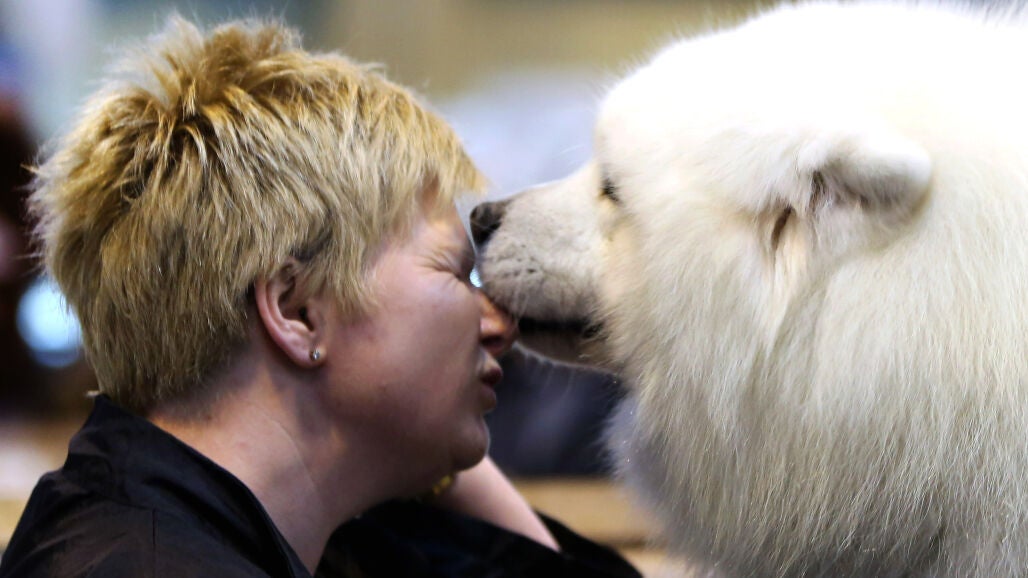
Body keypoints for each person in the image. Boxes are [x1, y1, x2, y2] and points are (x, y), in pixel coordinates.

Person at [0, 17, 639, 578]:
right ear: (297, 310)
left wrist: (437, 441)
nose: (500, 324)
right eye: (454, 272)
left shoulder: (259, 528)